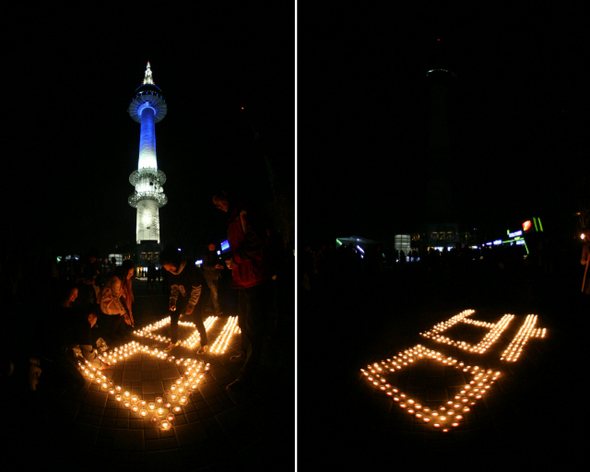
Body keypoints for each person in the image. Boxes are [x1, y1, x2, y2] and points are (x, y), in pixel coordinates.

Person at [212, 190, 279, 393]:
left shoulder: (247, 212)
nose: (218, 206)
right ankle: (244, 353)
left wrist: (236, 259)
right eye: (215, 204)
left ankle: (248, 375)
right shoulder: (233, 218)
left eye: (218, 200)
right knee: (243, 321)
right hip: (243, 277)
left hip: (255, 276)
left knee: (253, 326)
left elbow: (255, 241)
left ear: (228, 195)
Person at [160, 247, 209, 354]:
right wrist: (172, 300)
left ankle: (204, 343)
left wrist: (191, 304)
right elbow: (174, 286)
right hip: (183, 293)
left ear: (176, 261)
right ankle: (174, 341)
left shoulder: (190, 268)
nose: (169, 270)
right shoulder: (169, 272)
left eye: (170, 267)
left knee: (197, 318)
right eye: (167, 269)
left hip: (198, 294)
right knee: (173, 314)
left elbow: (197, 288)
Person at [98, 259, 135, 343]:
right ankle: (112, 333)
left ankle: (119, 330)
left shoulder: (123, 278)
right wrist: (125, 314)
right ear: (124, 271)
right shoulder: (116, 280)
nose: (130, 275)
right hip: (108, 301)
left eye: (132, 273)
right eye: (129, 273)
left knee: (124, 309)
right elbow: (115, 298)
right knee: (122, 312)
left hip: (114, 299)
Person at [202, 242, 224, 316]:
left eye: (213, 245)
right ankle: (217, 309)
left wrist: (220, 267)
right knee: (214, 292)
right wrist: (214, 267)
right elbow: (205, 266)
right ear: (208, 246)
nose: (212, 247)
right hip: (209, 276)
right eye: (211, 245)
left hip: (215, 276)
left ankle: (208, 307)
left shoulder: (215, 254)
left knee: (213, 292)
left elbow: (218, 262)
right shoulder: (206, 255)